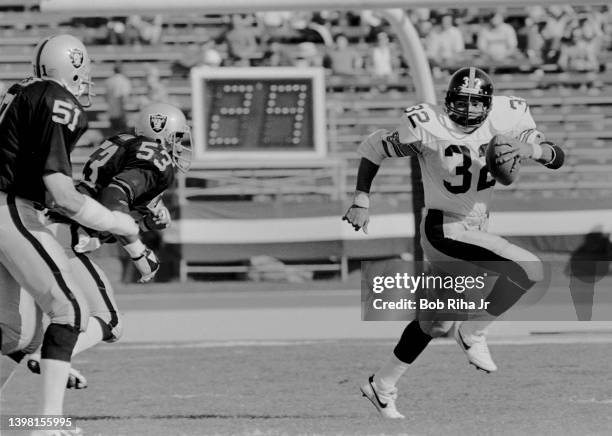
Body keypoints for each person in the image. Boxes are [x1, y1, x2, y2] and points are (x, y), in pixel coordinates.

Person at [342, 67, 565, 419]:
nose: (470, 109)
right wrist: (361, 199)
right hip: (443, 227)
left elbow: (557, 157)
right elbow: (374, 148)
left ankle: (381, 385)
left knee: (436, 323)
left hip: (473, 226)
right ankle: (474, 331)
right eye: (462, 101)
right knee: (530, 269)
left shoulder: (510, 114)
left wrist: (529, 149)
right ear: (448, 100)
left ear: (489, 104)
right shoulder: (426, 124)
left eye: (478, 103)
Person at [0, 34, 139, 431]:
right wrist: (117, 224)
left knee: (12, 332)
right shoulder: (55, 99)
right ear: (72, 67)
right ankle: (48, 423)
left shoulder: (25, 90)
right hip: (9, 207)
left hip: (8, 204)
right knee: (70, 311)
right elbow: (61, 193)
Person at [25, 102, 192, 387]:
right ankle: (50, 360)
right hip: (67, 241)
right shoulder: (155, 158)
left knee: (24, 329)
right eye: (176, 137)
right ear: (162, 133)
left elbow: (116, 195)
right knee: (110, 321)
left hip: (50, 231)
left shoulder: (124, 142)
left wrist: (150, 211)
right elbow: (115, 200)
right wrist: (138, 251)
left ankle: (49, 359)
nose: (179, 146)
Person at [105, 62, 132, 134]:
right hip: (121, 112)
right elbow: (123, 97)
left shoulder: (109, 81)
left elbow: (106, 97)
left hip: (112, 111)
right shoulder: (124, 81)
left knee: (114, 133)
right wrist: (124, 113)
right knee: (124, 134)